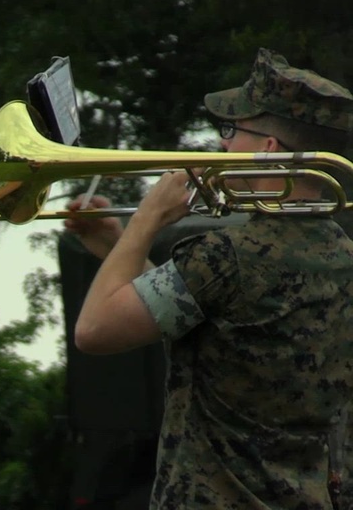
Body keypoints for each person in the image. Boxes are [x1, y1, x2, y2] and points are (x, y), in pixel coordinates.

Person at [68, 48, 353, 509]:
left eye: (232, 131)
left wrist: (147, 221)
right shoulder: (343, 256)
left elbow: (94, 330)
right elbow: (202, 311)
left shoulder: (227, 257)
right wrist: (113, 243)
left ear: (267, 148)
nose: (222, 146)